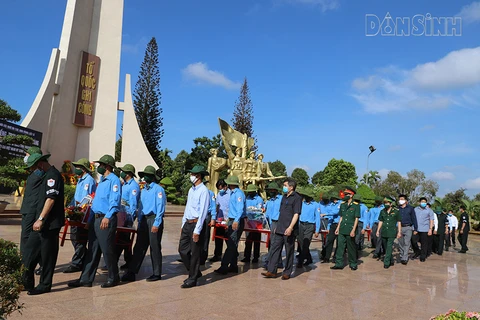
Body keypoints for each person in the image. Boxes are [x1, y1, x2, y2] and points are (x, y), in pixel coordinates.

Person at [68, 154, 122, 288]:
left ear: (107, 166)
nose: (99, 167)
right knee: (92, 249)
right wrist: (89, 221)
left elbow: (115, 201)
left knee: (107, 249)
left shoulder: (113, 180)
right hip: (96, 219)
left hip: (105, 219)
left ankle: (113, 277)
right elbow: (95, 202)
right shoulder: (102, 181)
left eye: (101, 165)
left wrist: (108, 217)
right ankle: (85, 279)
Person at [22, 153, 65, 295]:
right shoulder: (46, 175)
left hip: (49, 224)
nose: (33, 170)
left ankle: (44, 285)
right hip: (40, 224)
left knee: (48, 257)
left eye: (34, 167)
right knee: (29, 253)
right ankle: (26, 283)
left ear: (40, 164)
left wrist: (40, 218)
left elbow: (51, 199)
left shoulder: (53, 175)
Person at [121, 166, 166, 282]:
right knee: (139, 247)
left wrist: (157, 223)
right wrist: (139, 219)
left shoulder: (158, 189)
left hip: (153, 219)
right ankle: (132, 272)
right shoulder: (144, 190)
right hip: (144, 220)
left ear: (152, 176)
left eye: (147, 175)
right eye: (144, 174)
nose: (145, 177)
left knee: (154, 247)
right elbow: (141, 206)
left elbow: (160, 207)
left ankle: (157, 273)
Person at [262, 178, 302, 280]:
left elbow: (296, 214)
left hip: (289, 229)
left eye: (285, 185)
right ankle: (272, 271)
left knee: (289, 251)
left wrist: (290, 227)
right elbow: (281, 213)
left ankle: (287, 272)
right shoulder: (284, 197)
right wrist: (277, 226)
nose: (283, 187)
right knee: (275, 248)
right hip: (280, 227)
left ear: (291, 187)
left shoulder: (297, 198)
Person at [178, 165, 210, 288]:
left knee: (195, 252)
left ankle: (192, 278)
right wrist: (183, 223)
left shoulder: (204, 191)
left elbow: (203, 212)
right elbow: (188, 207)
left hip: (197, 223)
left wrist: (197, 230)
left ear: (198, 176)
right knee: (182, 250)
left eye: (192, 174)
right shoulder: (191, 190)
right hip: (188, 222)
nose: (191, 176)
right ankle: (195, 272)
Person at [64, 158, 96, 273]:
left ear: (83, 168)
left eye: (78, 167)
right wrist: (69, 208)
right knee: (74, 237)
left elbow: (90, 199)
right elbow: (76, 197)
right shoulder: (80, 180)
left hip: (83, 214)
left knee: (79, 238)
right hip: (76, 212)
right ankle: (83, 258)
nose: (76, 169)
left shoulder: (89, 181)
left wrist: (83, 213)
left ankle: (77, 263)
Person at [214, 175, 246, 275]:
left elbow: (240, 209)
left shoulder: (238, 194)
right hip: (232, 220)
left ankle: (224, 266)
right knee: (233, 244)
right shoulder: (233, 193)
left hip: (236, 220)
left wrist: (236, 221)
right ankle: (233, 266)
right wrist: (229, 221)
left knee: (231, 244)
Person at [19, 147, 44, 257]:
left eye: (27, 154)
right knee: (25, 236)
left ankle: (25, 262)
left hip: (32, 210)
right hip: (27, 208)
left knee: (27, 237)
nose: (25, 157)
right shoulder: (33, 172)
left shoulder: (40, 173)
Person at [116, 164, 140, 269]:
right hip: (121, 215)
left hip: (127, 217)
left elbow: (133, 204)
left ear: (129, 174)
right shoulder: (124, 184)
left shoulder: (133, 186)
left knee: (122, 240)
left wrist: (129, 218)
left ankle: (114, 261)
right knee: (124, 241)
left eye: (124, 171)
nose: (122, 173)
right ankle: (129, 261)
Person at [330, 186, 360, 271]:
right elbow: (341, 217)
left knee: (351, 248)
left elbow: (356, 218)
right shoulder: (342, 205)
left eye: (347, 194)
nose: (345, 195)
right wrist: (338, 228)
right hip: (342, 228)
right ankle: (339, 263)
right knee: (340, 247)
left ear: (351, 195)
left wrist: (354, 230)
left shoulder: (356, 205)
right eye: (345, 193)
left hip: (350, 229)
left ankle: (353, 263)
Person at [296, 188, 320, 267]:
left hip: (310, 226)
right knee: (302, 243)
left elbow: (317, 218)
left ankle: (300, 261)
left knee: (306, 243)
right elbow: (298, 215)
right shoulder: (302, 204)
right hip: (301, 225)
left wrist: (317, 230)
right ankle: (309, 258)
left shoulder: (316, 205)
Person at [376, 196, 401, 269]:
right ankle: (391, 259)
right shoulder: (382, 211)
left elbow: (399, 222)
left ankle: (386, 262)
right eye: (385, 203)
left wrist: (399, 231)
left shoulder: (396, 211)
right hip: (384, 231)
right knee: (386, 247)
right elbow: (381, 221)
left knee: (389, 247)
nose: (386, 204)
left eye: (387, 203)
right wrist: (378, 230)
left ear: (390, 203)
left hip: (391, 232)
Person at [241, 184, 264, 263]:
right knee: (248, 240)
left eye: (251, 192)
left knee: (256, 240)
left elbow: (259, 210)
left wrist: (253, 210)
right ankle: (247, 256)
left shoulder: (259, 199)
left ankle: (255, 257)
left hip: (257, 222)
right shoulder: (247, 198)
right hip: (248, 222)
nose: (249, 193)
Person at [263, 182, 283, 269]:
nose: (271, 191)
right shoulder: (269, 201)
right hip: (270, 224)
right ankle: (278, 262)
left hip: (278, 223)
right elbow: (266, 214)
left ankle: (269, 261)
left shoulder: (282, 199)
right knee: (273, 244)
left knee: (275, 244)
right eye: (269, 190)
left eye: (272, 190)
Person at [209, 179, 230, 262]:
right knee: (218, 238)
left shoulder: (231, 195)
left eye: (221, 188)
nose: (220, 190)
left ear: (225, 186)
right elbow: (217, 205)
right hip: (220, 220)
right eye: (218, 189)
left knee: (228, 239)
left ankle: (232, 255)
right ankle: (217, 255)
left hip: (228, 220)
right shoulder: (219, 195)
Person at [320, 192, 341, 263]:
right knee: (329, 241)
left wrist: (325, 214)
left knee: (339, 242)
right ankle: (327, 257)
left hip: (339, 224)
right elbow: (331, 217)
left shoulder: (340, 204)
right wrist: (328, 227)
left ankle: (336, 257)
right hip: (332, 224)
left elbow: (336, 212)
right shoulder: (332, 205)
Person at [397, 194, 417, 265]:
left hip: (408, 227)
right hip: (399, 227)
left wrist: (415, 229)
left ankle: (404, 258)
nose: (400, 200)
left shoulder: (410, 208)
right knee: (400, 243)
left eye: (402, 199)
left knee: (407, 242)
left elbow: (414, 218)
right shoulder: (397, 208)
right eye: (400, 199)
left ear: (406, 201)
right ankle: (402, 255)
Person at [412, 197, 434, 262]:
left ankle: (423, 256)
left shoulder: (429, 210)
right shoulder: (415, 209)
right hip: (416, 229)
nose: (423, 203)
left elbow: (431, 220)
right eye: (422, 202)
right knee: (413, 241)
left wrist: (430, 229)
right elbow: (413, 218)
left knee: (424, 243)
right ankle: (417, 251)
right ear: (419, 202)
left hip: (425, 229)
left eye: (425, 202)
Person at [200, 185, 216, 265]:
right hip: (197, 216)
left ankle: (202, 257)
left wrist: (213, 218)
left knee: (205, 237)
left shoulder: (210, 193)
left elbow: (213, 206)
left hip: (206, 216)